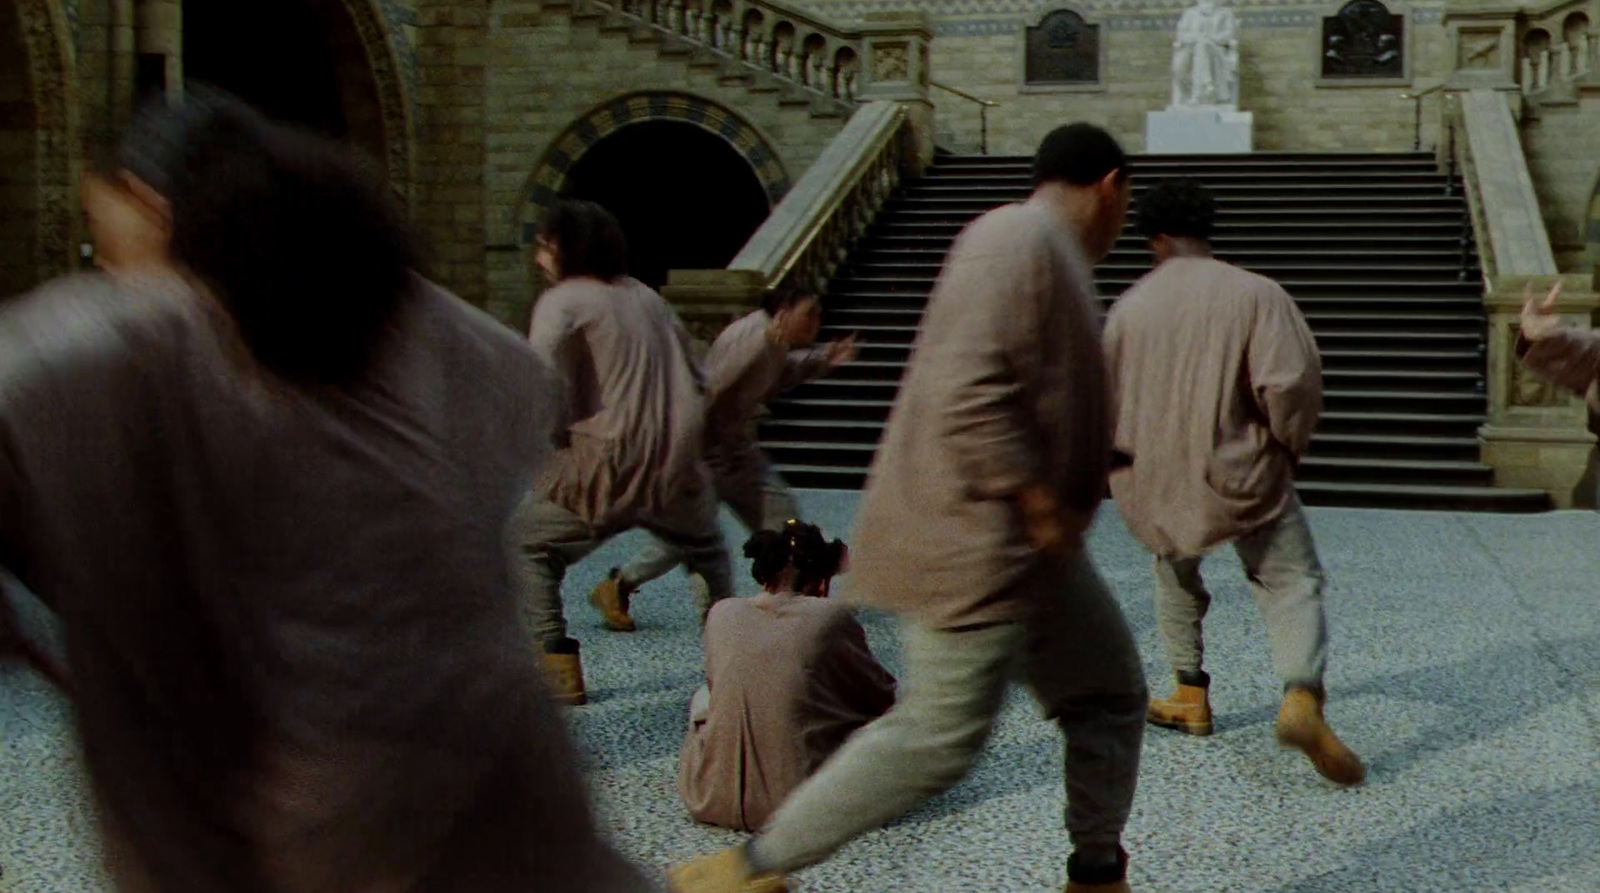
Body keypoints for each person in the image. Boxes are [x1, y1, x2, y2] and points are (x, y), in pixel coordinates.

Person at [0, 90, 654, 893]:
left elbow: (22, 381)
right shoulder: (413, 314)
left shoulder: (148, 331)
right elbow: (521, 389)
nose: (106, 264)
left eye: (105, 233)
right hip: (505, 745)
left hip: (326, 793)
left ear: (151, 207)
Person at [670, 122, 1148, 893]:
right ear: (1111, 186)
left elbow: (1032, 392)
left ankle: (1097, 870)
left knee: (1110, 692)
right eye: (1126, 205)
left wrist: (1089, 464)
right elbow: (969, 391)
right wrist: (1036, 497)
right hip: (979, 543)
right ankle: (749, 868)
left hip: (1033, 551)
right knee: (937, 736)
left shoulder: (1042, 250)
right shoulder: (1015, 239)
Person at [1103, 178, 1365, 786]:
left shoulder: (1128, 308)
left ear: (1156, 239)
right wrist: (1286, 445)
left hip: (1156, 473)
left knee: (1173, 571)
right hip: (1243, 468)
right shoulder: (1257, 294)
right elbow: (1291, 383)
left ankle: (1189, 692)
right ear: (1207, 230)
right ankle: (1301, 695)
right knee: (1290, 577)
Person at [517, 199, 734, 706]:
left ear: (567, 248)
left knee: (527, 545)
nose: (538, 255)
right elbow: (700, 376)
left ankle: (557, 666)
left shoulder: (564, 299)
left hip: (607, 465)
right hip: (679, 466)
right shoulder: (647, 298)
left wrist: (548, 444)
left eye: (546, 244)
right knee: (709, 558)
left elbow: (540, 381)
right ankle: (735, 667)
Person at [593, 284, 858, 631]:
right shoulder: (752, 339)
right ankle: (621, 585)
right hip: (705, 452)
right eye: (809, 314)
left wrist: (822, 358)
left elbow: (779, 375)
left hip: (734, 449)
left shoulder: (772, 340)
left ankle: (791, 595)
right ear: (783, 312)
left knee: (782, 519)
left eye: (818, 315)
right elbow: (706, 392)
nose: (815, 323)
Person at [680, 520, 895, 832]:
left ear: (764, 576)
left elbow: (718, 687)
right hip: (804, 809)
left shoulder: (722, 612)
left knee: (703, 696)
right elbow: (882, 697)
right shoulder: (829, 617)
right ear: (823, 583)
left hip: (710, 798)